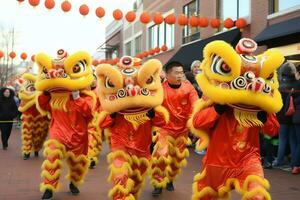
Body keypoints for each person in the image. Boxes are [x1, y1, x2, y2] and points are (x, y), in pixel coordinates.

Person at [150, 61, 198, 196]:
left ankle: (170, 179)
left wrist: (193, 122)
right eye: (176, 73)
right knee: (161, 155)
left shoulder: (189, 88)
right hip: (164, 129)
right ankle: (157, 182)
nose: (180, 75)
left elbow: (195, 106)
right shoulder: (159, 89)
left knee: (176, 158)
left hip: (182, 130)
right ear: (167, 74)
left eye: (181, 72)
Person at [274, 62, 296, 170]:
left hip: (281, 117)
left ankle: (279, 161)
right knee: (292, 139)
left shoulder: (279, 86)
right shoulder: (295, 85)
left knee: (282, 139)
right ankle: (293, 162)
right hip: (292, 116)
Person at [290, 63, 300, 174]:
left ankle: (295, 164)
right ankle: (295, 165)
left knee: (297, 141)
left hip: (295, 117)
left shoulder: (295, 85)